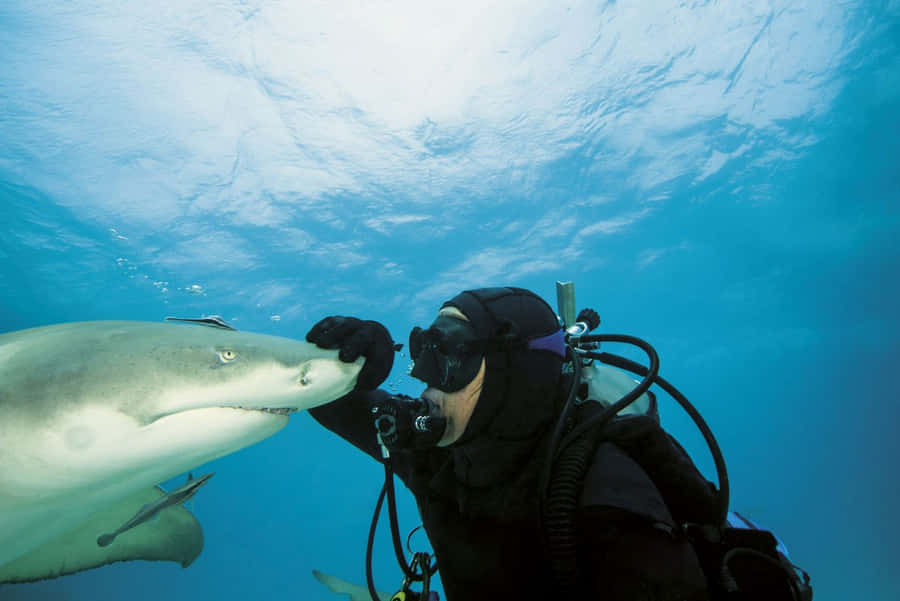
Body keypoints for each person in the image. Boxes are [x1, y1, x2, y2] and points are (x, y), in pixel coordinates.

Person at [307, 286, 713, 600]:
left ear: (512, 374)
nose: (424, 376)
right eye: (423, 350)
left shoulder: (606, 499)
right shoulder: (439, 455)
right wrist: (346, 364)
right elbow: (315, 396)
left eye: (450, 354)